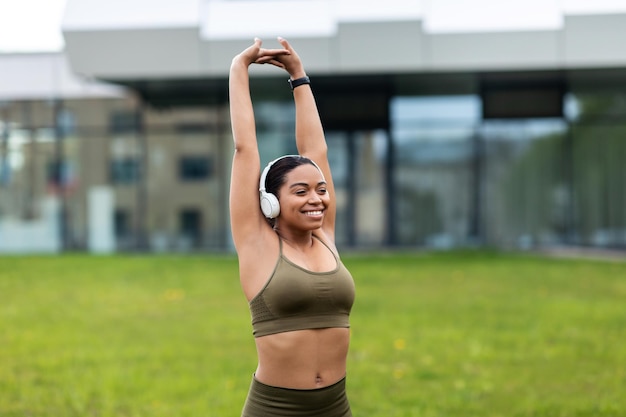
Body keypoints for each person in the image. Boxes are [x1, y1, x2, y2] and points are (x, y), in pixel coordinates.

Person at [229, 37, 356, 417]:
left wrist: (299, 77)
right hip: (275, 410)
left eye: (321, 190)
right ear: (271, 202)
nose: (316, 198)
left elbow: (316, 152)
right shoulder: (256, 244)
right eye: (300, 192)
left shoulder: (326, 237)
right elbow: (245, 149)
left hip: (336, 407)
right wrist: (239, 68)